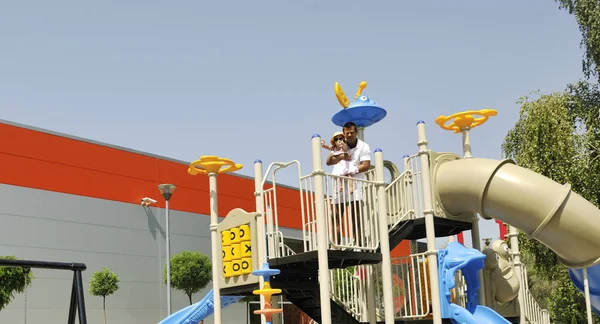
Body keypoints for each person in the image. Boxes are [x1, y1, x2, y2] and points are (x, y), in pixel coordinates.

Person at [325, 121, 371, 249]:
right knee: (335, 215)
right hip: (339, 183)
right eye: (347, 133)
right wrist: (340, 153)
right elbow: (329, 162)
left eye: (351, 132)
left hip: (354, 183)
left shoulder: (363, 146)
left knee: (356, 214)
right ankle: (336, 245)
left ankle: (359, 244)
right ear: (344, 134)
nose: (349, 135)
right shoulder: (340, 144)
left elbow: (365, 165)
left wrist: (351, 170)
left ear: (356, 132)